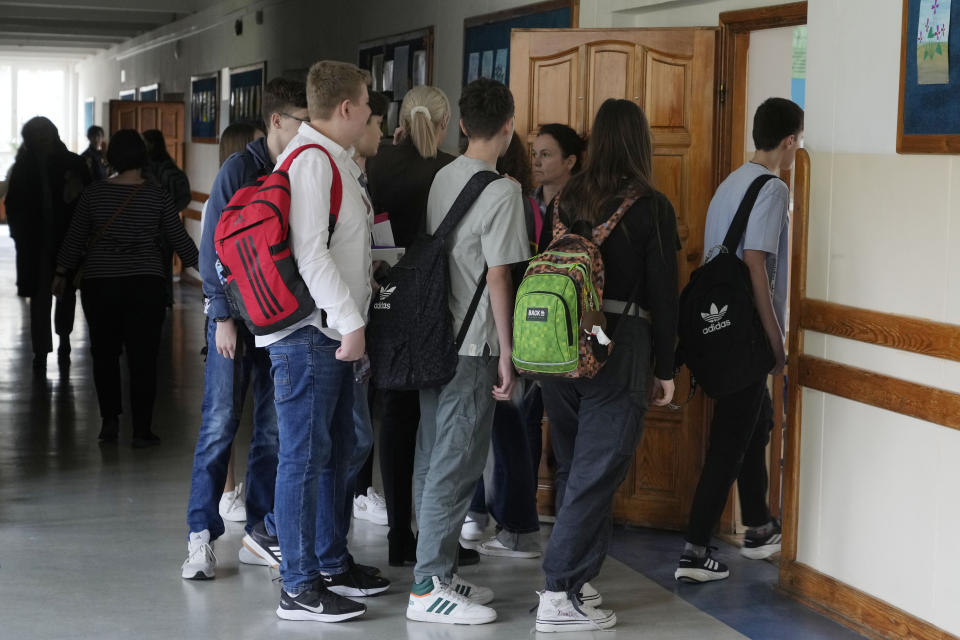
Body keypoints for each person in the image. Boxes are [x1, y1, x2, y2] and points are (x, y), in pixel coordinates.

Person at [533, 99, 678, 633]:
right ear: (639, 142)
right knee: (596, 474)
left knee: (576, 470)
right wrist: (667, 367)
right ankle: (556, 591)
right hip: (618, 349)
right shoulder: (652, 206)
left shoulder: (566, 197)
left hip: (558, 348)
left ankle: (574, 582)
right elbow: (666, 296)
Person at [257, 60, 387, 624]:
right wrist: (350, 320)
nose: (370, 115)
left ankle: (330, 563)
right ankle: (299, 586)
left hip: (328, 332)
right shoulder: (312, 162)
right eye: (366, 104)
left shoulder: (334, 160)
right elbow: (310, 252)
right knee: (304, 462)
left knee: (333, 455)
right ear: (346, 108)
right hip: (311, 336)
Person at [405, 78, 529, 626]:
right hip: (473, 343)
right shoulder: (503, 192)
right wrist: (506, 351)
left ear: (459, 125)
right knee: (457, 463)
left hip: (434, 338)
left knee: (434, 455)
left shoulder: (442, 178)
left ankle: (437, 567)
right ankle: (428, 584)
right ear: (508, 128)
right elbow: (499, 275)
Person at [674, 97, 802, 584]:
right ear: (789, 140)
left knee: (755, 420)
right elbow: (755, 263)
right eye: (797, 142)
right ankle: (693, 549)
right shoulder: (771, 189)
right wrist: (775, 342)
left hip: (715, 330)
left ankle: (757, 525)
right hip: (745, 336)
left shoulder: (731, 182)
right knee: (730, 440)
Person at [181, 82, 302, 581]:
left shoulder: (300, 169)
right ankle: (201, 536)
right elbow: (212, 250)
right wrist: (222, 318)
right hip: (234, 323)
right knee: (219, 427)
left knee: (271, 434)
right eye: (301, 120)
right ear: (277, 121)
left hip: (278, 324)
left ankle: (259, 531)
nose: (307, 130)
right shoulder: (239, 169)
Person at [364, 85, 460, 567]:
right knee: (442, 423)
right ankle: (438, 534)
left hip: (383, 299)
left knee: (394, 416)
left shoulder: (376, 161)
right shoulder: (451, 169)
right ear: (445, 123)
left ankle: (399, 535)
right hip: (437, 303)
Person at [53, 129, 198, 447]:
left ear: (111, 157)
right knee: (143, 357)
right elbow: (179, 240)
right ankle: (142, 429)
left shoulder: (94, 194)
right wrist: (209, 271)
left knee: (104, 352)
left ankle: (109, 423)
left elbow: (76, 237)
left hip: (101, 282)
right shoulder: (157, 194)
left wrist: (62, 272)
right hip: (146, 283)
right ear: (143, 157)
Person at [462, 132, 543, 560]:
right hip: (508, 325)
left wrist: (506, 346)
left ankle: (519, 525)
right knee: (493, 424)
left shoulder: (512, 199)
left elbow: (503, 273)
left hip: (506, 328)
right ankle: (480, 510)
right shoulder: (519, 200)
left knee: (507, 424)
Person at [4, 116, 90, 374]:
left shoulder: (71, 163)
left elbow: (88, 198)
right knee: (41, 297)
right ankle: (42, 349)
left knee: (64, 294)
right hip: (37, 244)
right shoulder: (25, 166)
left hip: (66, 240)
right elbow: (14, 206)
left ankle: (62, 340)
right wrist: (21, 236)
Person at [348, 90, 390, 528]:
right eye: (375, 122)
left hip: (368, 303)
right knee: (351, 428)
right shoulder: (332, 171)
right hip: (342, 321)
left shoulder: (364, 174)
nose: (381, 131)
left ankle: (360, 492)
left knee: (361, 420)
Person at [143, 128, 191, 306]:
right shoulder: (151, 165)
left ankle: (163, 299)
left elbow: (184, 195)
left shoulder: (164, 167)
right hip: (157, 227)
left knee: (162, 266)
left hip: (161, 229)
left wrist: (166, 212)